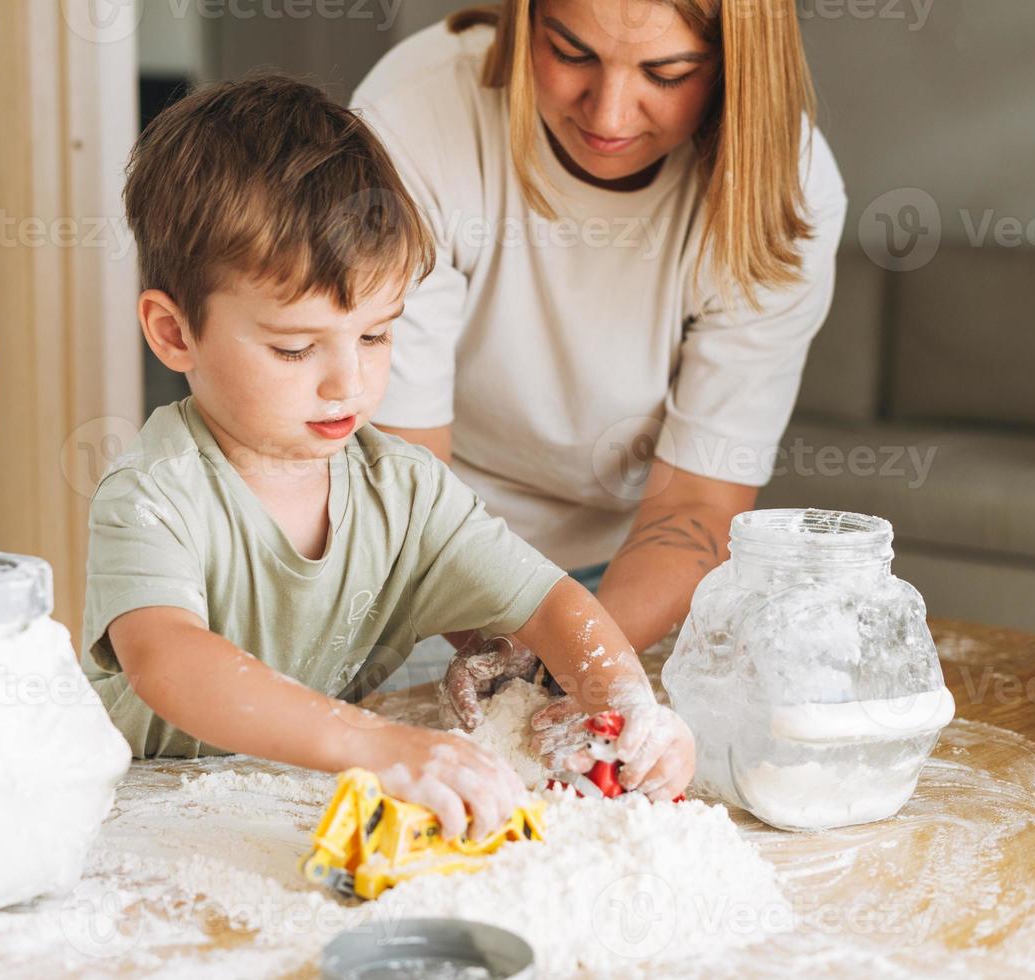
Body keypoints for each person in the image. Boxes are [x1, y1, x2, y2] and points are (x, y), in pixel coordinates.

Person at [79, 74, 696, 842]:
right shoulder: (154, 493)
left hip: (291, 805)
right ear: (174, 334)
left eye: (374, 335)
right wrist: (378, 746)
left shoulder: (402, 491)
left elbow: (547, 603)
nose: (349, 381)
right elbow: (169, 662)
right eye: (295, 347)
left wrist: (626, 705)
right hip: (143, 822)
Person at [349, 0, 848, 729]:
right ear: (524, 20)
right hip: (415, 558)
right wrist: (522, 648)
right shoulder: (415, 119)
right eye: (571, 52)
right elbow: (406, 477)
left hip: (626, 576)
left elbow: (696, 506)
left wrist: (573, 655)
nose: (609, 115)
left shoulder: (784, 192)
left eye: (665, 72)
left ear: (733, 68)